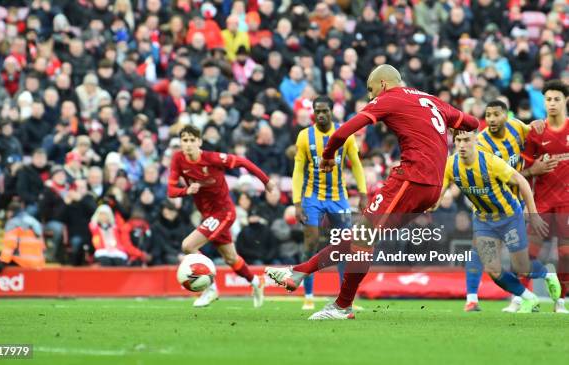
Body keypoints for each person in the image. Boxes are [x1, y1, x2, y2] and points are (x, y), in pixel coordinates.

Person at [266, 64, 480, 320]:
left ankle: (338, 303)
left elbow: (343, 132)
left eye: (371, 90)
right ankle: (303, 274)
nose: (370, 97)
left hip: (412, 178)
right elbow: (472, 122)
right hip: (432, 187)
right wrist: (452, 128)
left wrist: (327, 156)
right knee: (362, 239)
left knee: (362, 237)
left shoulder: (390, 98)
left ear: (384, 84)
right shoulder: (431, 99)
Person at [437, 130, 561, 313]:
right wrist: (428, 204)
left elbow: (522, 182)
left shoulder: (490, 162)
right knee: (493, 270)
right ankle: (529, 297)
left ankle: (546, 273)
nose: (462, 145)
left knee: (520, 266)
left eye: (466, 140)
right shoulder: (450, 165)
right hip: (484, 220)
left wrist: (533, 214)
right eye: (458, 140)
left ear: (475, 141)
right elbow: (437, 195)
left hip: (509, 216)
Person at [168, 125, 276, 308]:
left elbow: (243, 162)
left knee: (188, 246)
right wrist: (186, 190)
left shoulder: (212, 158)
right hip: (209, 215)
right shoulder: (178, 159)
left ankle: (210, 289)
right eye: (184, 140)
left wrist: (266, 181)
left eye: (192, 140)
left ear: (199, 142)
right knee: (231, 259)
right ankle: (256, 282)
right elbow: (170, 191)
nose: (188, 144)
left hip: (224, 212)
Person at [463, 100, 546, 312]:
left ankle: (525, 294)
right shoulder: (481, 143)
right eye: (488, 115)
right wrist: (531, 172)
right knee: (481, 251)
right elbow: (496, 179)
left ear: (506, 116)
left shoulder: (517, 127)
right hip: (488, 206)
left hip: (514, 204)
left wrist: (537, 124)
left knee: (518, 259)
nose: (491, 119)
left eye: (496, 114)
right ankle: (472, 298)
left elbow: (532, 132)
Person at [291, 95, 367, 310]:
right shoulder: (305, 137)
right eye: (318, 111)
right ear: (313, 113)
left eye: (325, 111)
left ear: (332, 111)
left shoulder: (345, 134)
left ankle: (345, 298)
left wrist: (362, 194)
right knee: (311, 241)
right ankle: (308, 295)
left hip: (338, 198)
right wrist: (297, 202)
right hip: (312, 197)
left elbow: (357, 165)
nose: (321, 115)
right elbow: (298, 170)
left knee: (346, 246)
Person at [521, 80, 569, 313]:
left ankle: (561, 301)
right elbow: (523, 173)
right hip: (541, 202)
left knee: (566, 254)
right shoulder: (536, 132)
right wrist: (525, 201)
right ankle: (522, 298)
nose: (551, 103)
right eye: (548, 99)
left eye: (556, 99)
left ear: (565, 100)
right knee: (528, 252)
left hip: (566, 204)